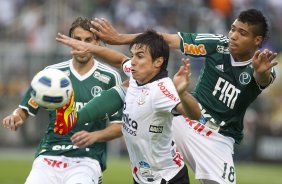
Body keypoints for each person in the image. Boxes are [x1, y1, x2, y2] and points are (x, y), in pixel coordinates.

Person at [75, 9, 278, 184]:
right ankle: (77, 120)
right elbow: (167, 39)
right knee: (135, 84)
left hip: (219, 138)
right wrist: (120, 38)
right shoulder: (218, 44)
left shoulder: (262, 65)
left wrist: (260, 72)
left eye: (242, 33)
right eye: (233, 29)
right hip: (185, 119)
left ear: (257, 40)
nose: (233, 35)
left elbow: (263, 78)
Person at [2, 17, 126, 184]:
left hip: (87, 158)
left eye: (88, 40)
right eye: (77, 39)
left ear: (97, 43)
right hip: (49, 153)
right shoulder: (52, 74)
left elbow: (119, 126)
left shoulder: (110, 77)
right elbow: (25, 108)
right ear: (69, 42)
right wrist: (16, 117)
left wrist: (95, 136)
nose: (82, 45)